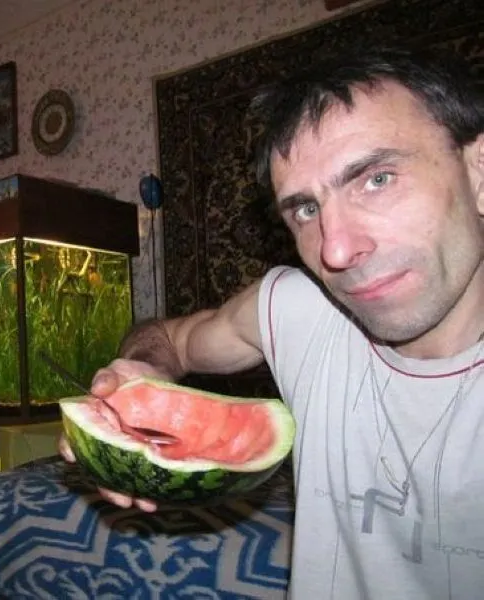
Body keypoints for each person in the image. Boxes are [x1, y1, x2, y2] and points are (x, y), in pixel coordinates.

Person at [60, 45, 484, 599]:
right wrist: (143, 379)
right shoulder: (301, 310)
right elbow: (166, 338)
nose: (335, 250)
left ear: (478, 169)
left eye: (377, 179)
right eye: (306, 209)